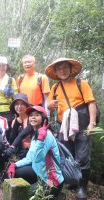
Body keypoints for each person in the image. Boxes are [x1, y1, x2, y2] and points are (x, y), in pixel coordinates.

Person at [46, 58, 97, 199]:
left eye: (65, 68)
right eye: (59, 69)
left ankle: (82, 187)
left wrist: (91, 123)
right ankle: (73, 181)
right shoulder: (55, 88)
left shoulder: (82, 84)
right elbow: (49, 107)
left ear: (70, 69)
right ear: (56, 72)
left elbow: (91, 104)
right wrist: (51, 106)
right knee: (68, 155)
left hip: (81, 125)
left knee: (82, 157)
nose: (62, 71)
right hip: (63, 126)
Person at [7, 106, 64, 199]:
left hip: (51, 180)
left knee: (24, 196)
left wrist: (41, 140)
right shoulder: (35, 135)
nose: (33, 117)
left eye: (37, 115)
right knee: (16, 172)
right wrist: (15, 164)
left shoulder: (46, 135)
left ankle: (55, 194)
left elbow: (38, 158)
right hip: (39, 173)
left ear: (43, 118)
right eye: (31, 115)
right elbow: (30, 158)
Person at [7, 93, 31, 159]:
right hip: (19, 152)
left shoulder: (31, 119)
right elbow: (12, 139)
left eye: (22, 104)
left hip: (31, 152)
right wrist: (16, 124)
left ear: (27, 106)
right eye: (17, 104)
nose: (19, 107)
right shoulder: (14, 121)